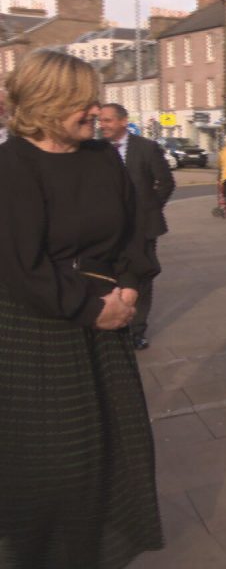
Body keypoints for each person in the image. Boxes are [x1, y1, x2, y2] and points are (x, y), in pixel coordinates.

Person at [0, 50, 164, 567]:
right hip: (39, 332)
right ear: (49, 102)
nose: (96, 110)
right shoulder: (12, 167)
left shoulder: (99, 158)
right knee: (58, 463)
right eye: (83, 101)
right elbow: (22, 267)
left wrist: (132, 286)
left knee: (116, 453)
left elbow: (136, 229)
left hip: (108, 323)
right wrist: (92, 308)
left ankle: (96, 550)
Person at [97, 103, 175, 350]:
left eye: (108, 120)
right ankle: (115, 322)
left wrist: (149, 210)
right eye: (101, 120)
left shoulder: (146, 148)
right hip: (107, 229)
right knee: (111, 277)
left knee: (141, 277)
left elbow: (166, 183)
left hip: (142, 228)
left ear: (123, 121)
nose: (103, 125)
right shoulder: (95, 151)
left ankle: (137, 331)